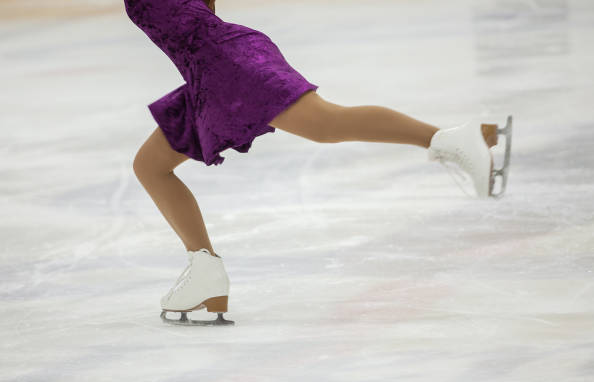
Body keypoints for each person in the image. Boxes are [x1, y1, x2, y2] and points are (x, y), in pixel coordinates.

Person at [125, 0, 510, 325]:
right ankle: (204, 270)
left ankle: (457, 140)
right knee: (151, 166)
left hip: (229, 63)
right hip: (209, 71)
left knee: (327, 124)